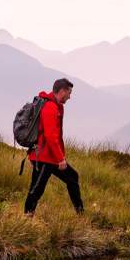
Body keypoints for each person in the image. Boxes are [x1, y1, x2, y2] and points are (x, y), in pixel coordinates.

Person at [24, 78, 84, 216]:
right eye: (69, 93)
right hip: (44, 157)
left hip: (47, 156)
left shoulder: (54, 105)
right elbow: (51, 136)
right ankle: (26, 218)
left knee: (72, 177)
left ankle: (80, 213)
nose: (70, 96)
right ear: (62, 91)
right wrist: (60, 159)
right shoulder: (50, 107)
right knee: (36, 189)